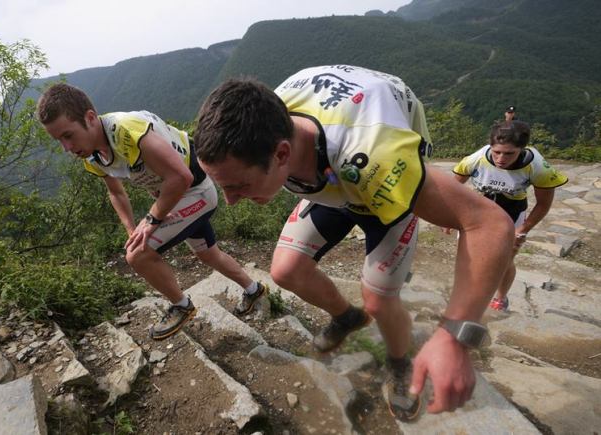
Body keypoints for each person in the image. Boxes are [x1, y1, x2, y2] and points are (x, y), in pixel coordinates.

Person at [193, 65, 514, 420]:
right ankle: (347, 317)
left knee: (378, 300)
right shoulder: (263, 119)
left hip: (378, 183)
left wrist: (454, 337)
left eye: (238, 186)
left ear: (282, 154)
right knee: (285, 270)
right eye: (222, 186)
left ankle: (399, 362)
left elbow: (490, 223)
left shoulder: (374, 159)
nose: (231, 200)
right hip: (332, 177)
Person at [36, 83, 267, 340]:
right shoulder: (93, 155)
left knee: (138, 255)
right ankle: (254, 289)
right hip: (173, 199)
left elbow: (181, 177)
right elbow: (116, 192)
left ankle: (182, 306)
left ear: (90, 118)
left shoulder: (127, 132)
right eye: (59, 140)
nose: (66, 148)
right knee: (208, 254)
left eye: (68, 135)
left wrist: (152, 218)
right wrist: (131, 228)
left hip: (195, 191)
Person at [449, 120, 567, 311]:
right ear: (490, 146)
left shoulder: (537, 165)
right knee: (468, 255)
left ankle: (501, 298)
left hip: (512, 212)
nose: (501, 158)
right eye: (496, 152)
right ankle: (467, 294)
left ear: (522, 148)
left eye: (509, 153)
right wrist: (450, 215)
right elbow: (454, 187)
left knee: (505, 260)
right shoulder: (476, 158)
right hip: (478, 210)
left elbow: (544, 203)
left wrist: (523, 229)